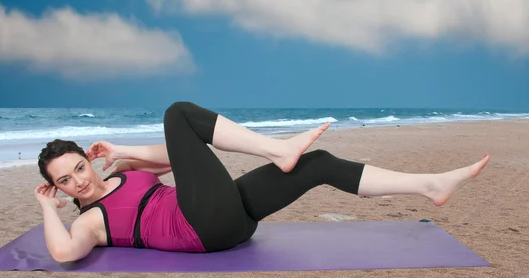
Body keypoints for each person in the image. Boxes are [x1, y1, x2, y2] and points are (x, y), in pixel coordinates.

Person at [34, 101, 489, 263]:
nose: (79, 180)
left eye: (79, 167)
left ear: (88, 163)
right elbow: (62, 252)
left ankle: (429, 185)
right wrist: (45, 207)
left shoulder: (124, 174)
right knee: (178, 113)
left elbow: (182, 157)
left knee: (318, 163)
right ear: (60, 189)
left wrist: (122, 152)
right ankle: (277, 148)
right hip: (201, 227)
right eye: (65, 181)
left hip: (231, 217)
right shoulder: (90, 223)